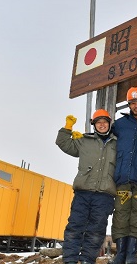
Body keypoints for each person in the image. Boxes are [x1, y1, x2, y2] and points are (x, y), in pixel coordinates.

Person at [56, 109, 117, 264]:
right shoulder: (85, 141)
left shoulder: (117, 144)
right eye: (98, 122)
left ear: (109, 123)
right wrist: (67, 128)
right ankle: (70, 260)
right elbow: (62, 143)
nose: (102, 125)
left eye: (105, 122)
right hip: (83, 193)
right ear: (94, 124)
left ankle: (86, 260)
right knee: (75, 227)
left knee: (96, 231)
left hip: (105, 195)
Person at [110, 87, 137, 264]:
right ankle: (120, 252)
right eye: (132, 103)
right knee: (121, 214)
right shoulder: (120, 125)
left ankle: (131, 253)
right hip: (123, 177)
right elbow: (105, 138)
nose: (136, 106)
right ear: (129, 105)